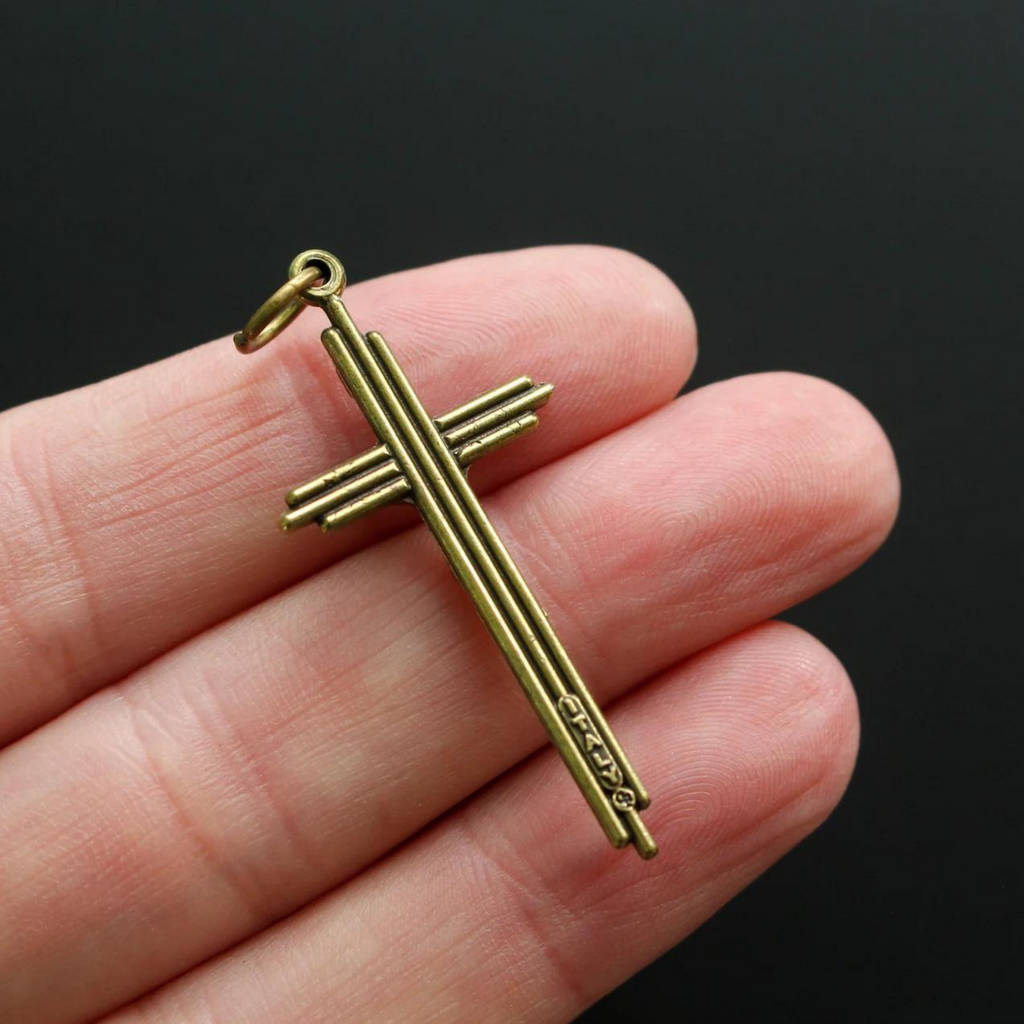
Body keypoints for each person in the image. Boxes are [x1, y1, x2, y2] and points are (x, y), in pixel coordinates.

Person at [0, 246, 899, 1023]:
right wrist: (341, 490)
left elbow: (496, 417)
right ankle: (617, 802)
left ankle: (619, 802)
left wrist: (341, 492)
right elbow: (337, 492)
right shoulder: (389, 410)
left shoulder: (403, 413)